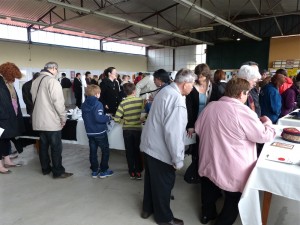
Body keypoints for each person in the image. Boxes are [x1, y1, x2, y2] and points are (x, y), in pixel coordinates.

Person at [195, 78, 276, 225]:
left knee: (209, 189)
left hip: (210, 158)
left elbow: (198, 128)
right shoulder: (243, 111)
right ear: (241, 94)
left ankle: (207, 215)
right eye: (247, 93)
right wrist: (268, 123)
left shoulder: (211, 106)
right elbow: (263, 136)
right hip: (232, 164)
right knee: (233, 197)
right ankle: (223, 222)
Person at [140, 68, 196, 225]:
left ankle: (147, 209)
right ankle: (164, 218)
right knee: (164, 185)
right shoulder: (177, 100)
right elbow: (174, 134)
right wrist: (178, 159)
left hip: (150, 146)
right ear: (185, 84)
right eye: (192, 84)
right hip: (161, 151)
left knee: (151, 182)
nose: (193, 88)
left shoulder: (164, 92)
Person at [31, 62, 73, 179]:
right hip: (51, 120)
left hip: (39, 119)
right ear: (53, 69)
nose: (57, 72)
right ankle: (58, 171)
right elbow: (58, 102)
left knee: (43, 146)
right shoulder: (52, 81)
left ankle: (45, 169)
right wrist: (63, 117)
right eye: (57, 69)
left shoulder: (36, 81)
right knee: (56, 147)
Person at [81, 84, 114, 179]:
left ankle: (95, 171)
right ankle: (104, 170)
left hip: (89, 132)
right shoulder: (98, 104)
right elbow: (98, 118)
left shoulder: (84, 104)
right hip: (99, 132)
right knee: (105, 150)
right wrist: (108, 117)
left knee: (93, 151)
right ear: (96, 94)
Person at [114, 83, 144, 179]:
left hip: (127, 130)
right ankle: (139, 171)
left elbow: (116, 119)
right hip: (137, 130)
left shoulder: (123, 103)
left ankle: (132, 171)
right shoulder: (141, 101)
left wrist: (124, 121)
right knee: (137, 150)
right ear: (134, 91)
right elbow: (145, 115)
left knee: (129, 151)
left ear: (124, 92)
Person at [0, 62, 25, 174]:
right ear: (7, 74)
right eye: (13, 76)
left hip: (9, 117)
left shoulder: (8, 83)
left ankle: (7, 160)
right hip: (1, 118)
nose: (14, 79)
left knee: (6, 139)